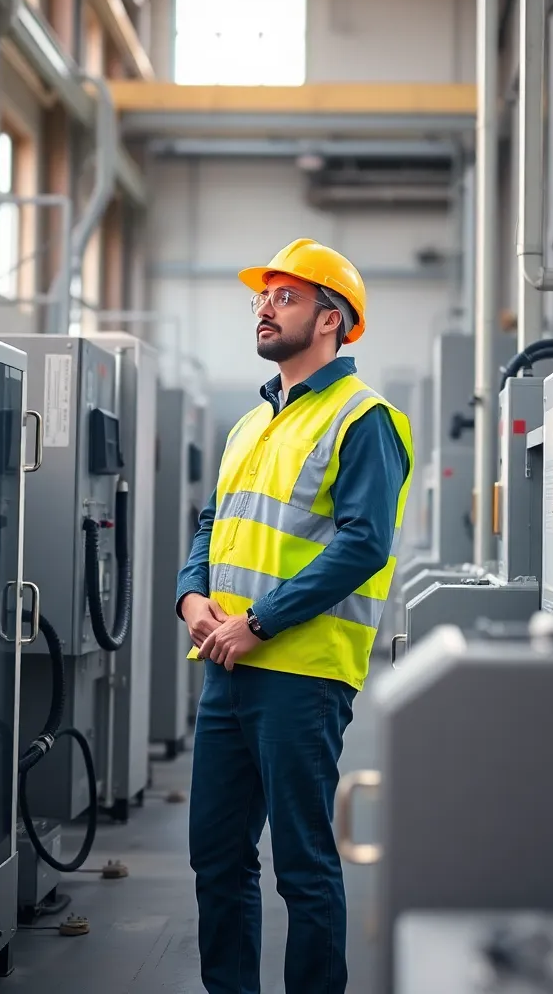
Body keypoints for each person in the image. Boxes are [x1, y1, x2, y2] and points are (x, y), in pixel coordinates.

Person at [175, 238, 414, 994]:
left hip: (299, 675)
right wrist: (190, 596)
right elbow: (211, 523)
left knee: (304, 868)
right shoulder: (251, 424)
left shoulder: (363, 418)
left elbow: (364, 544)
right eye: (262, 297)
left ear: (331, 319)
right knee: (216, 857)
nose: (265, 307)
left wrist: (261, 621)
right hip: (226, 665)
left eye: (285, 296)